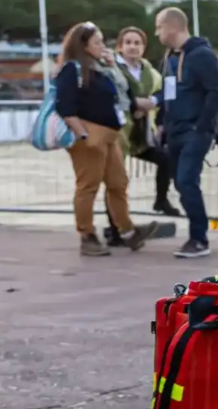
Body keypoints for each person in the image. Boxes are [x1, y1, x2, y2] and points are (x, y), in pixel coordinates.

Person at [53, 22, 159, 256]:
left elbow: (125, 95)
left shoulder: (102, 68)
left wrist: (112, 67)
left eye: (102, 41)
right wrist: (83, 133)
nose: (103, 46)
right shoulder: (72, 69)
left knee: (117, 183)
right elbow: (64, 106)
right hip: (89, 135)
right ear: (84, 45)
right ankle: (87, 235)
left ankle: (128, 231)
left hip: (111, 135)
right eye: (97, 42)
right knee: (88, 186)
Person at [154, 7, 218, 260]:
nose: (156, 33)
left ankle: (199, 237)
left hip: (195, 131)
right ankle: (197, 234)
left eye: (159, 27)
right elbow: (168, 93)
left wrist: (203, 126)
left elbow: (216, 91)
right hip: (174, 131)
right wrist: (161, 122)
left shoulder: (202, 55)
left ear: (173, 27)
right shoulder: (168, 59)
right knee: (180, 182)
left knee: (186, 180)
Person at [103, 26, 177, 247]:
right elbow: (111, 93)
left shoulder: (148, 70)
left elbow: (163, 90)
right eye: (128, 42)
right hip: (118, 131)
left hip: (140, 131)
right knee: (116, 182)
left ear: (144, 47)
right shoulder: (112, 68)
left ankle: (161, 200)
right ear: (120, 46)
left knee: (165, 158)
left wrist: (152, 102)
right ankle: (115, 231)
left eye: (137, 43)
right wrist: (135, 104)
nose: (132, 47)